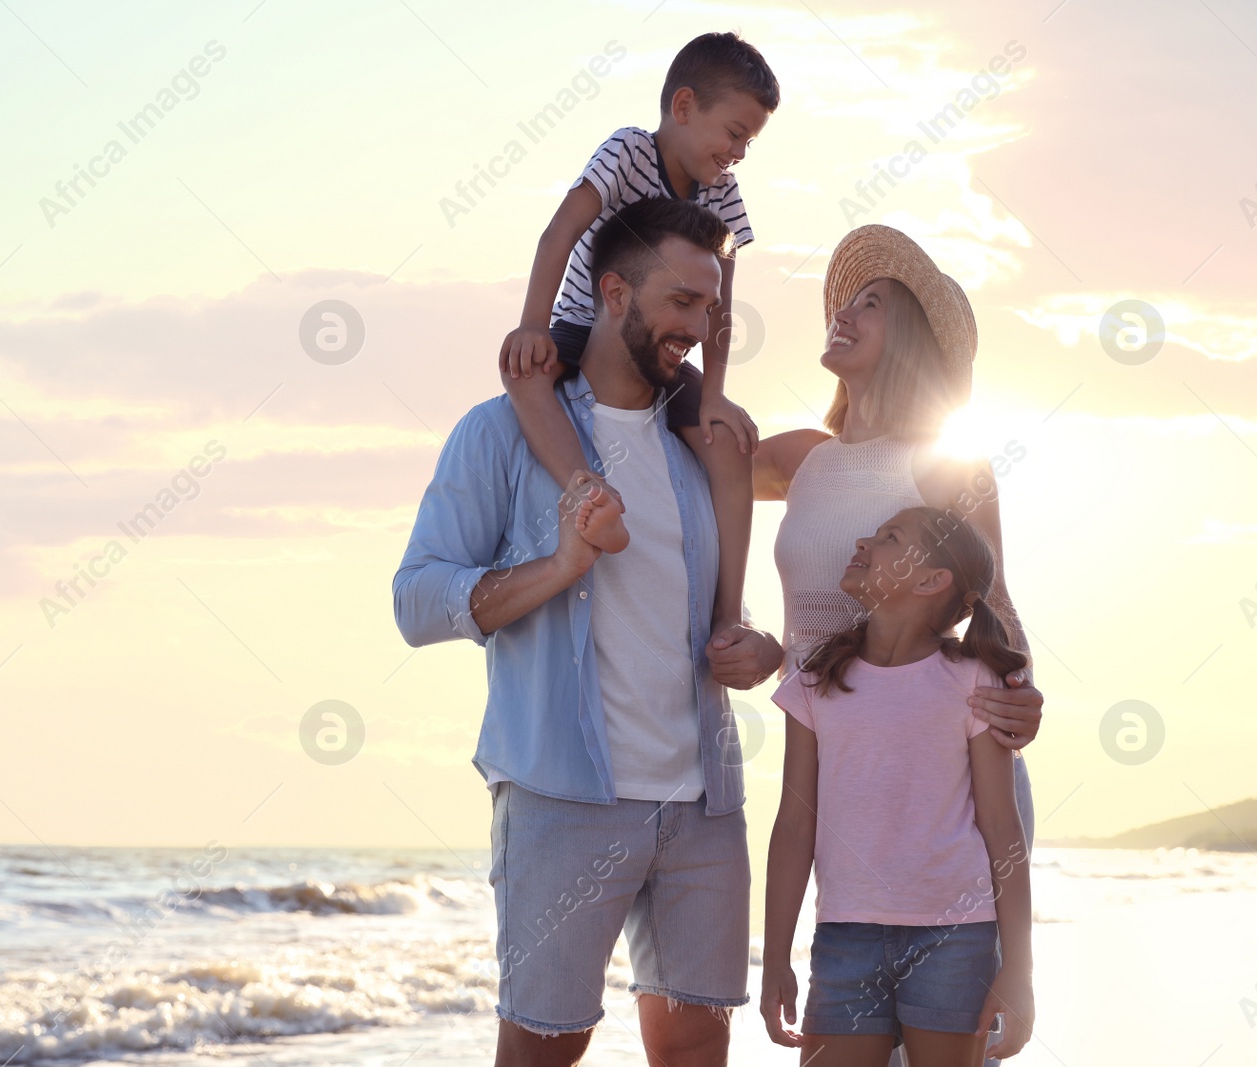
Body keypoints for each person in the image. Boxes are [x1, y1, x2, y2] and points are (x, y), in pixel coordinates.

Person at [393, 196, 786, 1067]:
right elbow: (417, 600)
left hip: (704, 805)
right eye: (682, 301)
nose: (700, 324)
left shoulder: (698, 446)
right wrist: (559, 566)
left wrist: (758, 646)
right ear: (614, 292)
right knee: (545, 1049)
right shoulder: (500, 431)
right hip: (562, 801)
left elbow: (703, 608)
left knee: (694, 1049)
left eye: (712, 308)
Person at [749, 224, 1043, 1067]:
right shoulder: (806, 458)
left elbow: (993, 595)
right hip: (843, 774)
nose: (845, 312)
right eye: (847, 300)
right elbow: (708, 451)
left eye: (871, 305)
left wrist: (1020, 687)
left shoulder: (950, 464)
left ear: (907, 335)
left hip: (942, 779)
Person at [498, 30, 780, 640]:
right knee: (524, 374)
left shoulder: (723, 195)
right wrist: (531, 325)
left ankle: (728, 614)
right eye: (734, 132)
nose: (739, 151)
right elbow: (560, 233)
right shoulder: (627, 152)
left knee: (731, 445)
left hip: (665, 354)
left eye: (750, 141)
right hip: (584, 327)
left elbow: (720, 305)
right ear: (683, 107)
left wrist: (714, 395)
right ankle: (588, 493)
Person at [760, 507, 1035, 1065]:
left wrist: (1019, 968)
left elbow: (1003, 828)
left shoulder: (975, 680)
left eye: (889, 537)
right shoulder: (812, 682)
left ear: (933, 580)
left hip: (957, 939)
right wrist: (774, 957)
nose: (863, 539)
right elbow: (794, 826)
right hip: (845, 936)